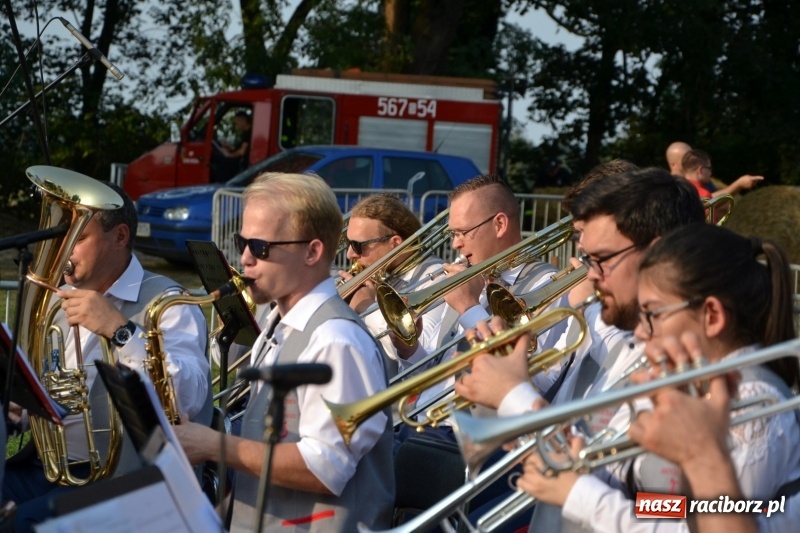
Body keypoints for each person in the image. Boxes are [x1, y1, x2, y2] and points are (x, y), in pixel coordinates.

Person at [453, 168, 705, 531]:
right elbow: (573, 435)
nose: (588, 276)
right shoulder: (607, 323)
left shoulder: (695, 371)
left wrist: (518, 399)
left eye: (600, 259)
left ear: (656, 252)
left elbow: (674, 513)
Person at [516, 223, 800, 533]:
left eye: (652, 314)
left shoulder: (752, 403)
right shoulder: (691, 382)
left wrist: (581, 495)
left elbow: (704, 523)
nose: (639, 332)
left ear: (712, 316)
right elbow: (679, 508)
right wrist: (585, 468)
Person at [174, 173, 394, 532]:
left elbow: (325, 469)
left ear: (312, 251)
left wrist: (215, 445)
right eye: (241, 241)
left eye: (260, 247)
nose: (244, 258)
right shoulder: (277, 324)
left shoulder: (337, 340)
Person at [2, 183, 211, 533]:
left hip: (125, 479)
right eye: (60, 237)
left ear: (120, 236)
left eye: (77, 239)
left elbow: (188, 397)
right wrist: (25, 408)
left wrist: (121, 331)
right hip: (50, 467)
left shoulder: (168, 302)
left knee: (20, 525)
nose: (63, 251)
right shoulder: (58, 299)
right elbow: (57, 383)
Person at [396, 174, 563, 443]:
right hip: (420, 421)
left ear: (499, 224)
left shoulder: (546, 286)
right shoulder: (467, 276)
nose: (455, 244)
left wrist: (469, 307)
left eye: (463, 232)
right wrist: (409, 348)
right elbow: (429, 371)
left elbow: (539, 385)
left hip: (469, 438)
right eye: (453, 234)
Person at [336, 193, 445, 373]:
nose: (350, 254)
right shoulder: (384, 274)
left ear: (395, 243)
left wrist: (368, 308)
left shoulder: (436, 276)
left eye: (357, 246)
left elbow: (421, 352)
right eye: (348, 243)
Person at [681, 149, 763, 199]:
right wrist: (739, 184)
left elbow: (712, 197)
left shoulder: (678, 190)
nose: (711, 172)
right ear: (701, 170)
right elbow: (711, 201)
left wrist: (739, 184)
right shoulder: (699, 193)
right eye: (709, 168)